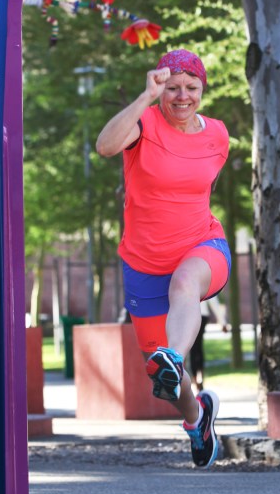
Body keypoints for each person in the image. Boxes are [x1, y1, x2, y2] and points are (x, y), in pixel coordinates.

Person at [96, 49, 230, 469]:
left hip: (202, 246)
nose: (182, 96)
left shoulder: (218, 135)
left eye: (191, 87)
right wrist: (145, 97)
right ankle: (196, 418)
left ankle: (174, 354)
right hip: (144, 264)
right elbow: (105, 146)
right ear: (161, 88)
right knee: (163, 379)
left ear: (202, 89)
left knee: (184, 285)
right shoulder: (145, 123)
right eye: (172, 88)